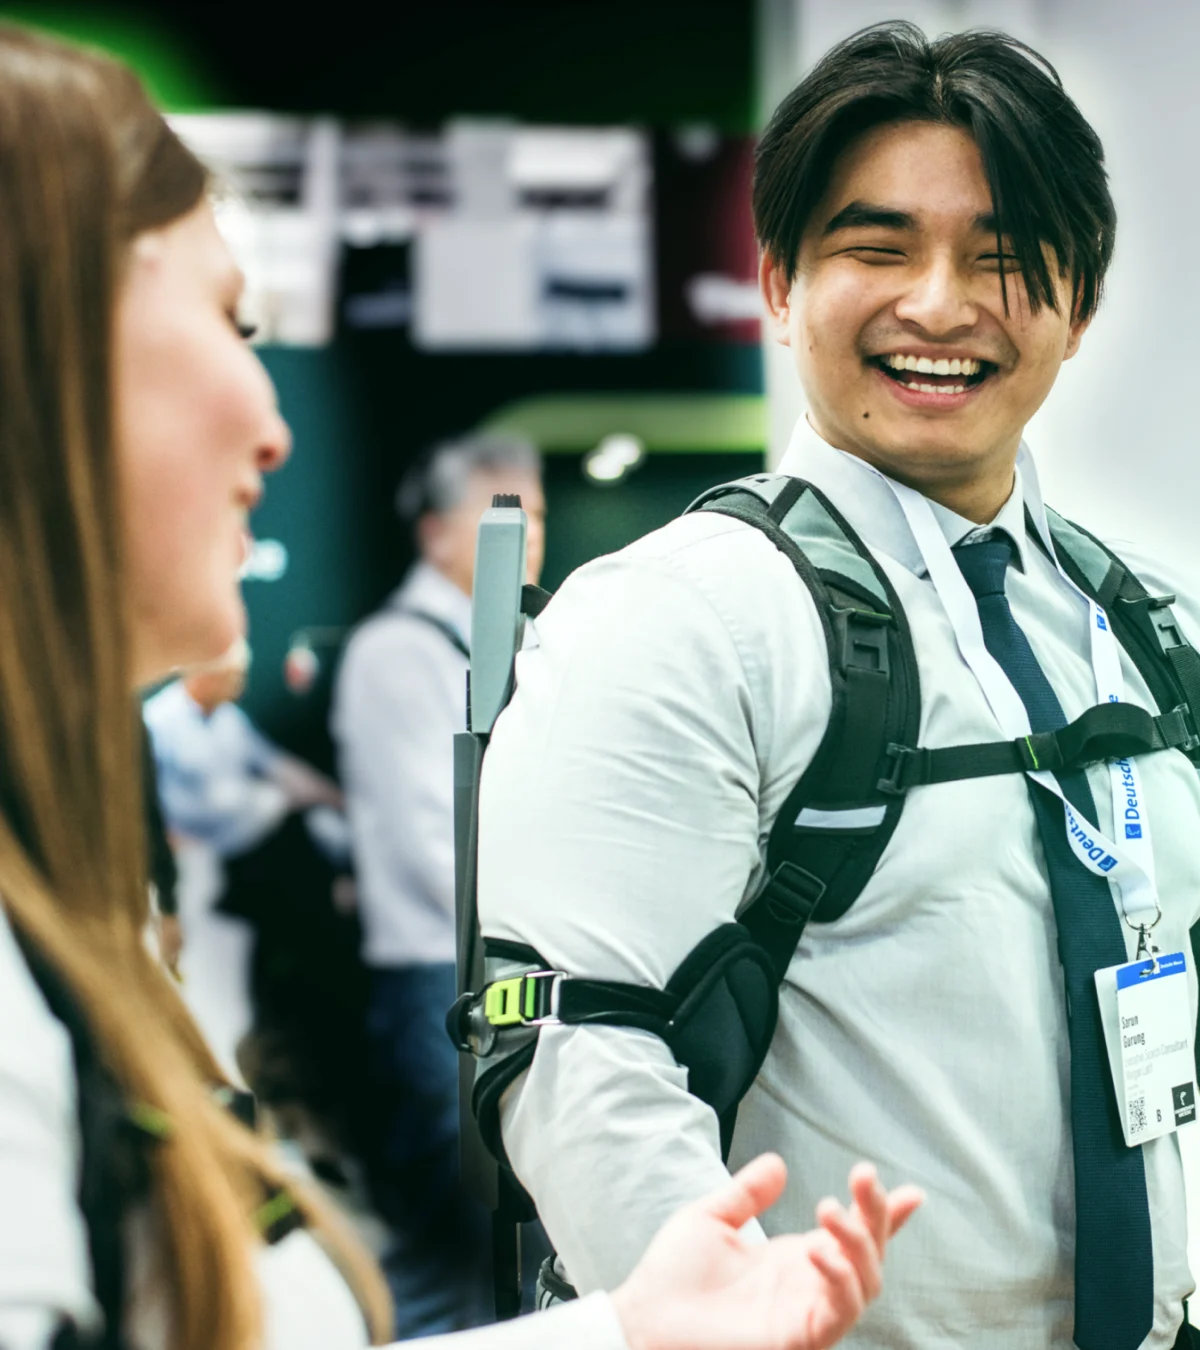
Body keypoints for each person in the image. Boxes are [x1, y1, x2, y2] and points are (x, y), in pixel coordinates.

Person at [0, 21, 921, 1350]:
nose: (271, 424)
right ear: (45, 352)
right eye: (226, 319)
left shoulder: (66, 935)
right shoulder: (393, 663)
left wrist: (627, 1329)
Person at [477, 21, 1200, 1350]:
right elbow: (584, 1054)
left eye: (1002, 258)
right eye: (879, 249)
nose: (939, 304)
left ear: (1079, 304)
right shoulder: (678, 621)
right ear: (778, 281)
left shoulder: (1151, 623)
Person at [330, 434, 545, 1336]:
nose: (529, 542)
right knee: (446, 1255)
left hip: (482, 977)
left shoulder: (503, 644)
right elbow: (435, 845)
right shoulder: (396, 651)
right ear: (434, 534)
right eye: (504, 518)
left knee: (492, 1258)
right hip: (435, 979)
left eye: (534, 520)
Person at [144, 640, 345, 1081]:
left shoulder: (231, 721)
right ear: (203, 674)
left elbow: (278, 769)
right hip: (185, 873)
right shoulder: (158, 724)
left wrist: (339, 800)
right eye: (233, 675)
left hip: (241, 866)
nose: (241, 684)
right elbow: (143, 808)